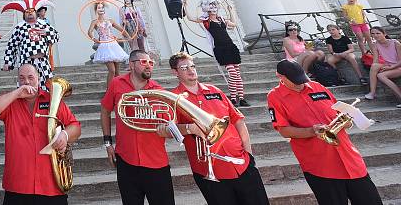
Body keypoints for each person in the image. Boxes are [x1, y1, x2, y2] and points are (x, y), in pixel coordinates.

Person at [267, 59, 383, 205]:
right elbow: (284, 130)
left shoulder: (317, 86)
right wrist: (311, 131)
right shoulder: (275, 96)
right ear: (280, 77)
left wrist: (347, 121)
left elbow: (338, 111)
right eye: (295, 81)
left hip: (349, 158)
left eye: (302, 79)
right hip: (320, 165)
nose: (300, 84)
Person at [169, 52, 269, 205]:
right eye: (184, 68)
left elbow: (238, 121)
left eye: (192, 66)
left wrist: (248, 155)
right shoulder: (173, 97)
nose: (191, 70)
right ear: (175, 72)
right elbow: (167, 130)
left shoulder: (214, 90)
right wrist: (190, 128)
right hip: (209, 169)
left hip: (242, 163)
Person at [0, 63, 81, 205]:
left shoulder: (52, 99)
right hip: (18, 185)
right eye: (22, 78)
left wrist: (65, 135)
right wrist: (17, 93)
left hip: (51, 185)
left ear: (38, 78)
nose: (27, 82)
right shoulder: (11, 102)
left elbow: (75, 127)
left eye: (31, 77)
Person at [100, 49, 174, 205]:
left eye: (151, 63)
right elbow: (105, 110)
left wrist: (167, 130)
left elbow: (169, 124)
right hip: (126, 159)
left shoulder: (159, 91)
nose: (148, 66)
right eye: (143, 62)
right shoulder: (116, 83)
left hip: (156, 161)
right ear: (131, 65)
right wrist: (108, 143)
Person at [185, 0, 250, 106]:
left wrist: (231, 11)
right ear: (207, 8)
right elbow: (191, 18)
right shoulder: (206, 20)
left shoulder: (222, 19)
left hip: (231, 47)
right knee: (233, 74)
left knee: (237, 74)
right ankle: (233, 98)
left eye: (215, 5)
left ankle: (241, 98)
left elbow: (233, 24)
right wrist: (186, 6)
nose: (214, 8)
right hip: (221, 48)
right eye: (211, 5)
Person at [2, 0, 59, 91]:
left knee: (46, 86)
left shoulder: (43, 24)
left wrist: (47, 33)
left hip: (43, 62)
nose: (29, 13)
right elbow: (12, 46)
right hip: (27, 62)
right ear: (24, 14)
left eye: (32, 11)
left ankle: (46, 104)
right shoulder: (19, 27)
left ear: (36, 12)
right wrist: (8, 62)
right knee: (27, 87)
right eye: (27, 12)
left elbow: (56, 36)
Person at [88, 0, 132, 86]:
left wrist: (129, 37)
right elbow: (89, 32)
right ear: (96, 10)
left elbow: (121, 29)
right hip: (104, 46)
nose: (101, 9)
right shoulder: (95, 22)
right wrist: (94, 38)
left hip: (113, 45)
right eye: (99, 8)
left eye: (102, 7)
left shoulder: (110, 21)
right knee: (112, 70)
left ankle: (117, 89)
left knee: (117, 72)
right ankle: (109, 90)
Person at [363, 26, 401, 105]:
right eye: (373, 33)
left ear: (384, 34)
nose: (375, 35)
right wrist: (377, 69)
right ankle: (372, 92)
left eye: (378, 33)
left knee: (380, 76)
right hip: (388, 65)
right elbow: (375, 60)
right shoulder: (375, 45)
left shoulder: (395, 43)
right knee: (374, 66)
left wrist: (390, 67)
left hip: (398, 66)